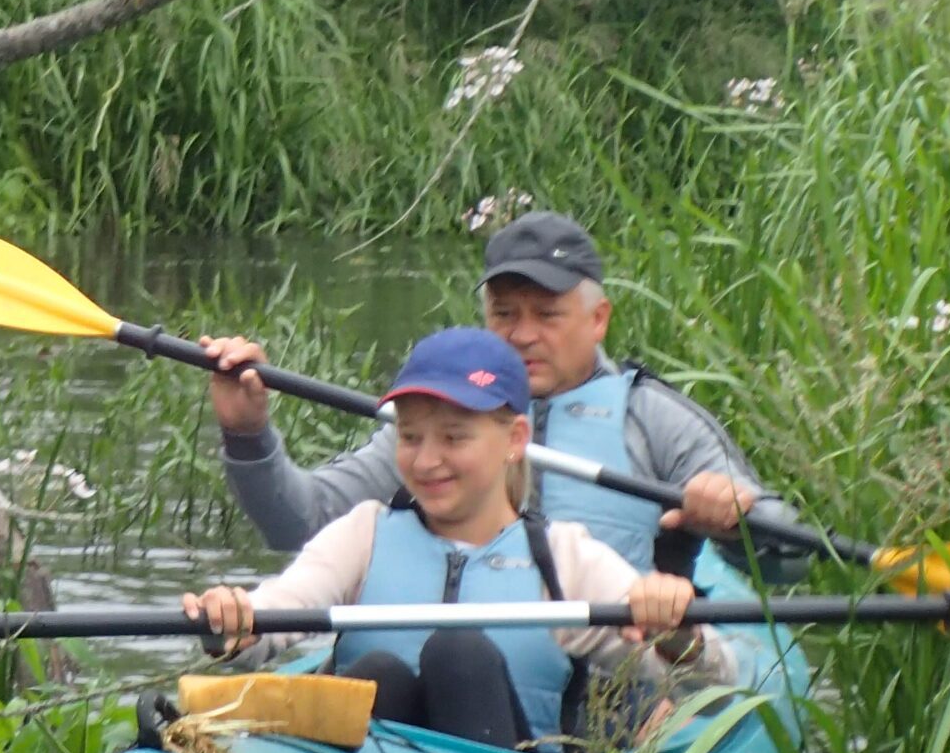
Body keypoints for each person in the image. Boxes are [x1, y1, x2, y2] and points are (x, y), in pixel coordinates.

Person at [182, 327, 740, 753]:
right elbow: (271, 618)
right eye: (410, 436)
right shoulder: (363, 534)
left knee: (458, 654)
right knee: (378, 673)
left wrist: (678, 632)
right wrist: (232, 618)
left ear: (514, 439)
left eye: (453, 438)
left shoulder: (565, 558)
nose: (427, 461)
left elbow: (712, 682)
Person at [205, 210, 785, 579]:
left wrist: (736, 523)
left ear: (598, 319)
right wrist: (247, 434)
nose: (523, 335)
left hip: (612, 678)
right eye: (505, 314)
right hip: (460, 670)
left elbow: (790, 557)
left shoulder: (655, 419)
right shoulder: (436, 423)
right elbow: (299, 523)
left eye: (547, 315)